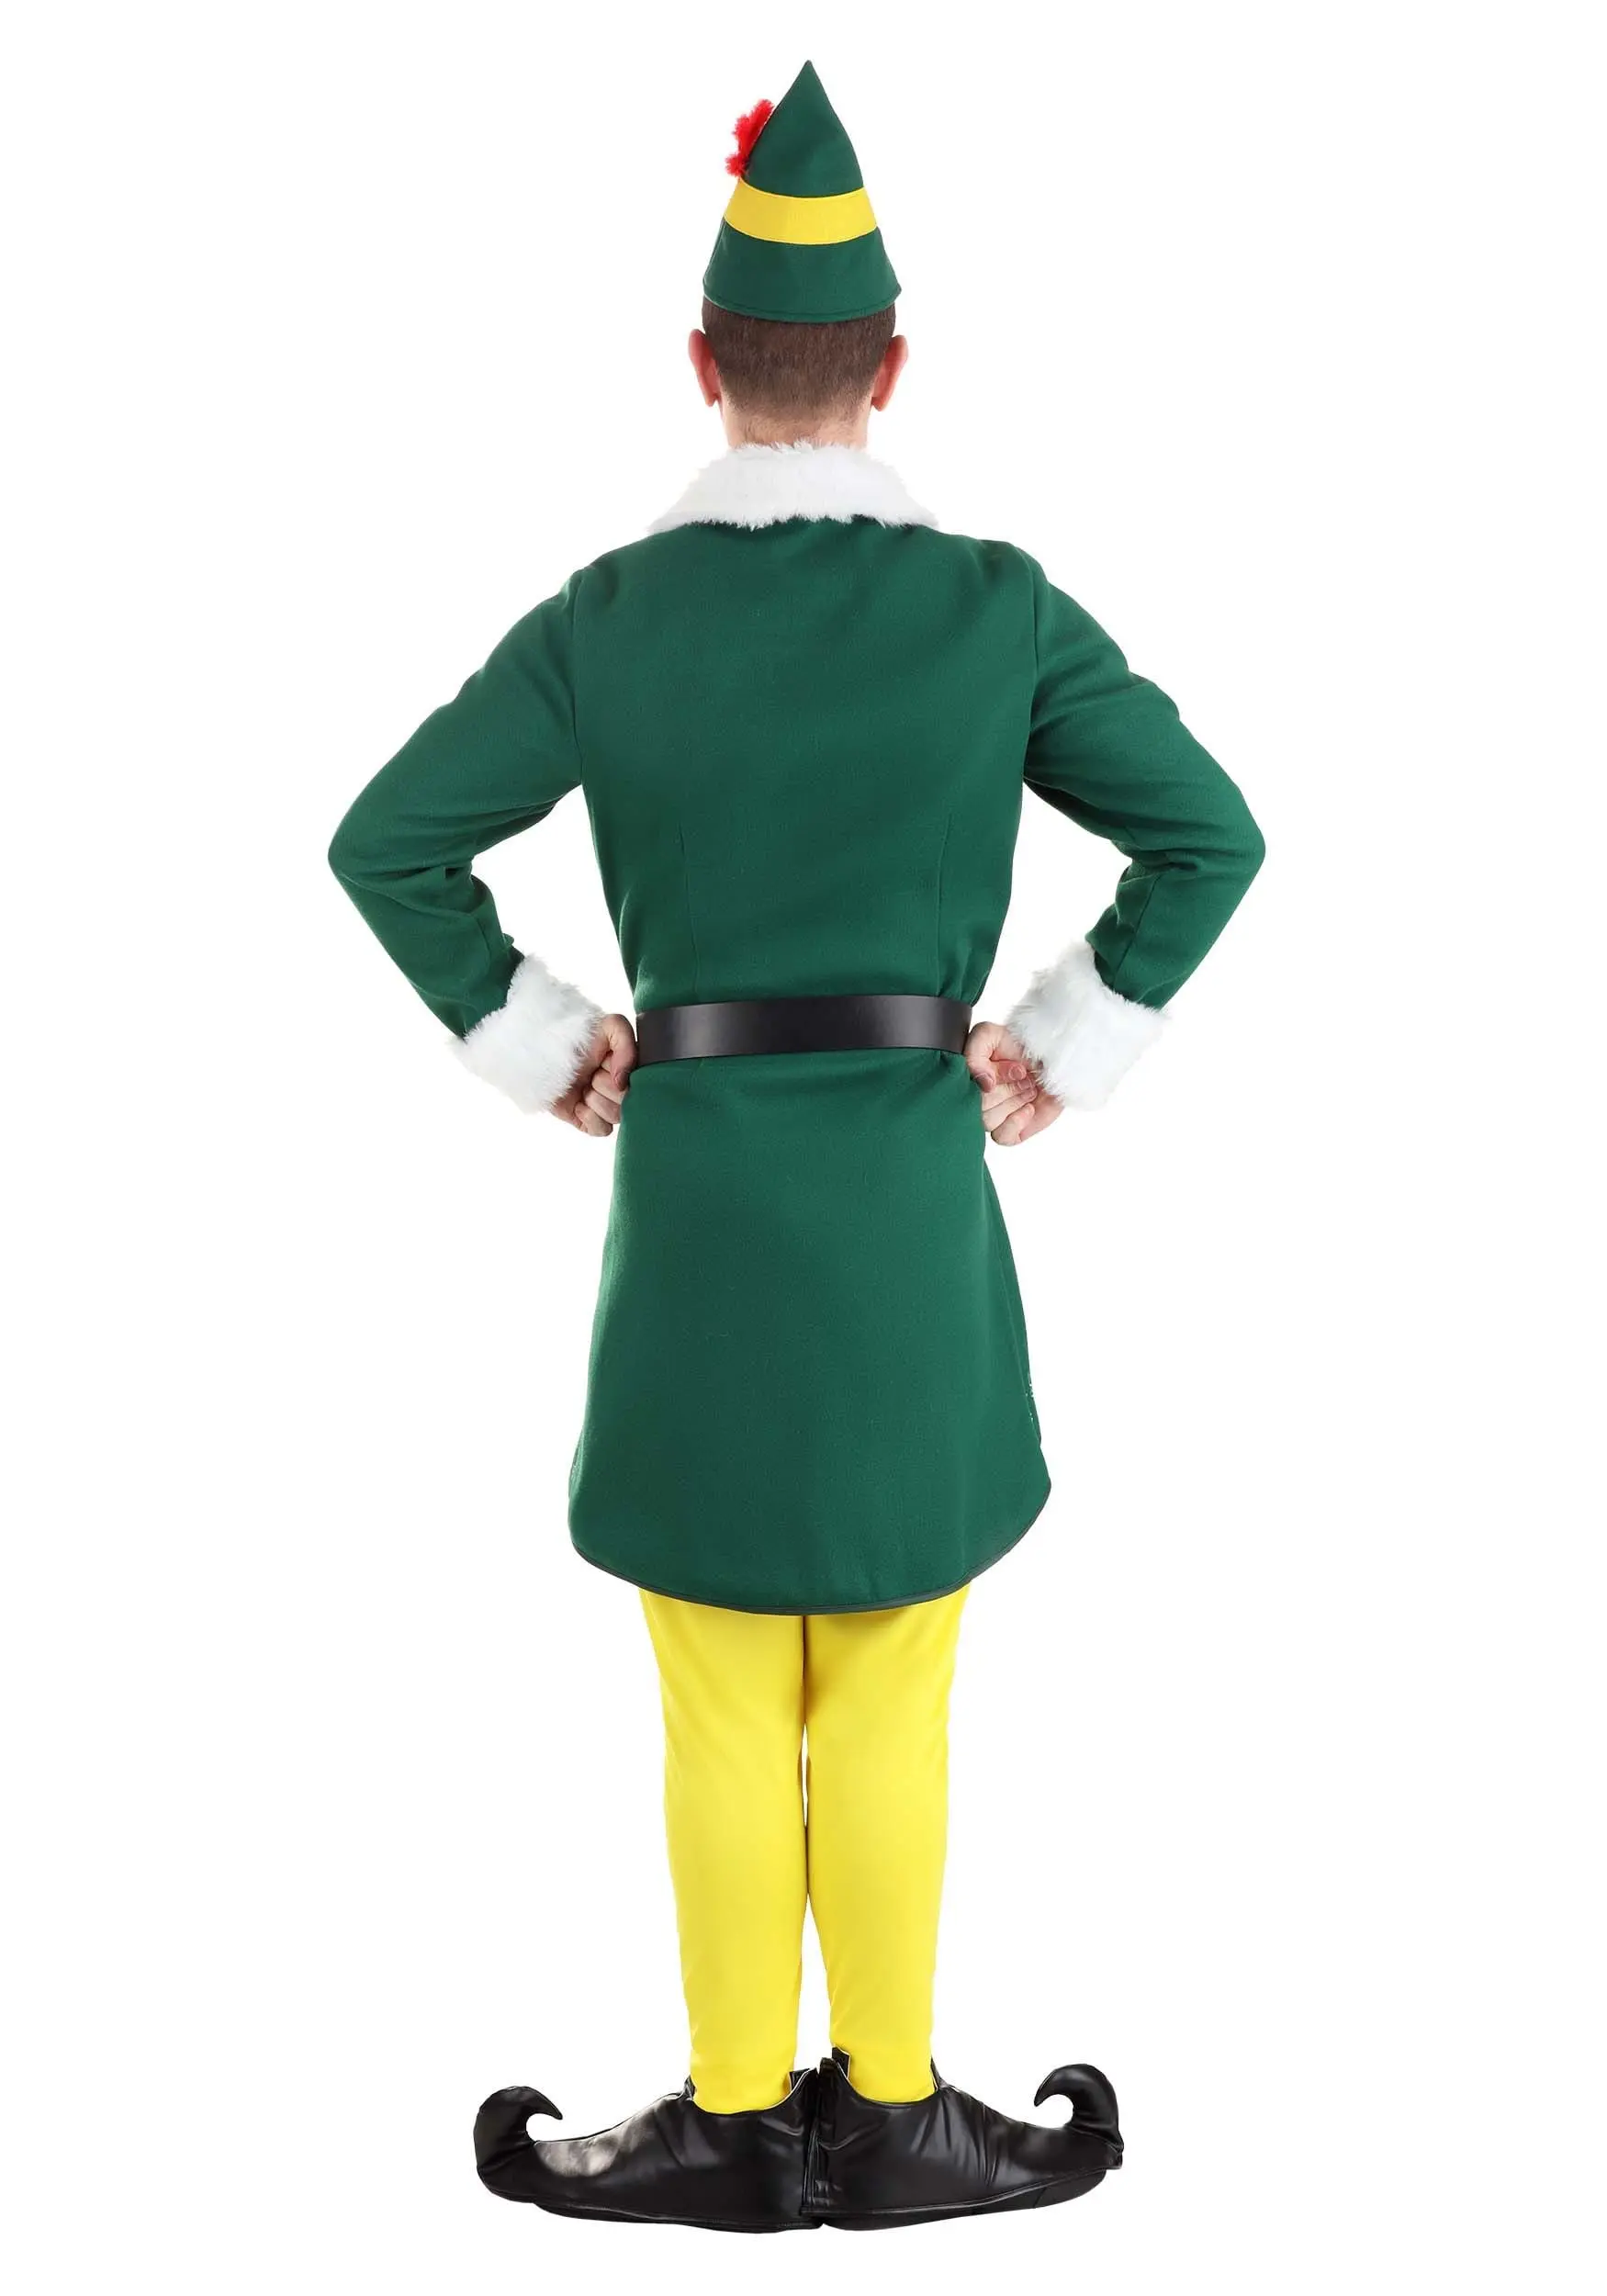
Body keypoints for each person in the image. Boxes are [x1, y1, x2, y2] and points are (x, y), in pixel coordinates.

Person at [329, 59, 1264, 2234]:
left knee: (724, 1697)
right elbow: (1208, 833)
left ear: (701, 363)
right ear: (890, 368)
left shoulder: (609, 616)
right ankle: (901, 2112)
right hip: (911, 1201)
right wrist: (1065, 1033)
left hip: (694, 1210)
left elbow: (387, 841)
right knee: (898, 1683)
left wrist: (548, 1038)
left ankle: (738, 2122)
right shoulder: (994, 607)